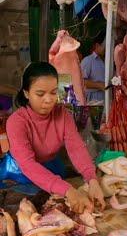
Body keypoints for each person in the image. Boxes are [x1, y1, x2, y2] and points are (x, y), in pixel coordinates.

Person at [5, 62, 105, 214]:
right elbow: (27, 164)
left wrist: (92, 179)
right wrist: (68, 190)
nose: (48, 100)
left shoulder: (63, 115)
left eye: (53, 93)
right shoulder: (16, 122)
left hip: (52, 167)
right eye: (40, 94)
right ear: (26, 93)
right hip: (17, 174)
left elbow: (76, 148)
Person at [81, 31, 106, 104]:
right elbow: (81, 82)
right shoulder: (88, 60)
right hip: (93, 101)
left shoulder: (108, 61)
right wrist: (100, 85)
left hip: (108, 99)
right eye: (104, 46)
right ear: (97, 45)